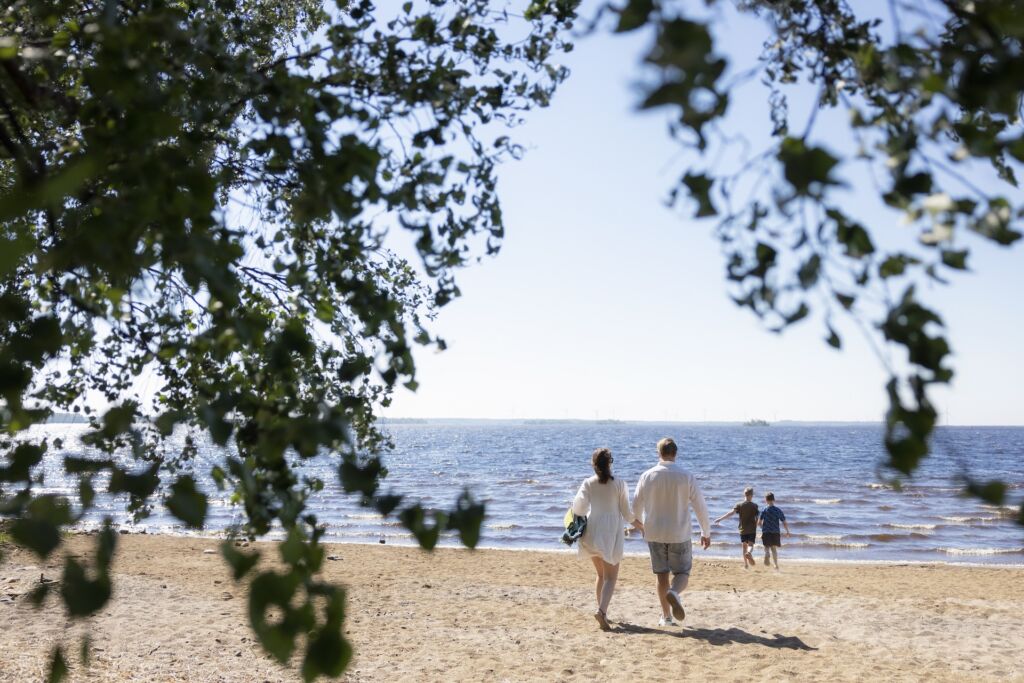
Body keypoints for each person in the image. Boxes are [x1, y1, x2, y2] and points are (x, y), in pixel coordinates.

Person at [631, 437, 711, 627]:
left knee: (661, 576)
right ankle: (674, 593)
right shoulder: (686, 476)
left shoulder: (647, 476)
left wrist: (641, 526)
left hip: (655, 533)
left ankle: (666, 617)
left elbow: (635, 507)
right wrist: (705, 532)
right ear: (675, 453)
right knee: (683, 573)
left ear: (659, 454)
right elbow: (700, 506)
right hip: (679, 533)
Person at [572, 448, 643, 631]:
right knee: (611, 578)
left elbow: (578, 509)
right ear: (610, 463)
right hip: (610, 534)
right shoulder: (619, 484)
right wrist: (642, 526)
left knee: (601, 575)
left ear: (594, 465)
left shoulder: (588, 483)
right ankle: (602, 612)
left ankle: (602, 611)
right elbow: (627, 514)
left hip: (592, 531)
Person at [714, 486, 759, 569]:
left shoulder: (739, 505)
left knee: (744, 546)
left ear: (744, 495)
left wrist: (720, 519)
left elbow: (731, 513)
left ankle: (745, 564)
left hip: (742, 529)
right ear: (751, 495)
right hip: (752, 529)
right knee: (751, 545)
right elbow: (757, 518)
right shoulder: (755, 506)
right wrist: (757, 525)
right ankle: (749, 553)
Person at [758, 491, 791, 570]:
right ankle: (776, 565)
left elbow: (759, 522)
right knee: (774, 549)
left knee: (766, 547)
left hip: (766, 532)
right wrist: (787, 531)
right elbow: (784, 522)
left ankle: (766, 553)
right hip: (775, 532)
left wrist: (763, 528)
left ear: (766, 500)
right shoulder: (778, 510)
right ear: (774, 500)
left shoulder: (764, 510)